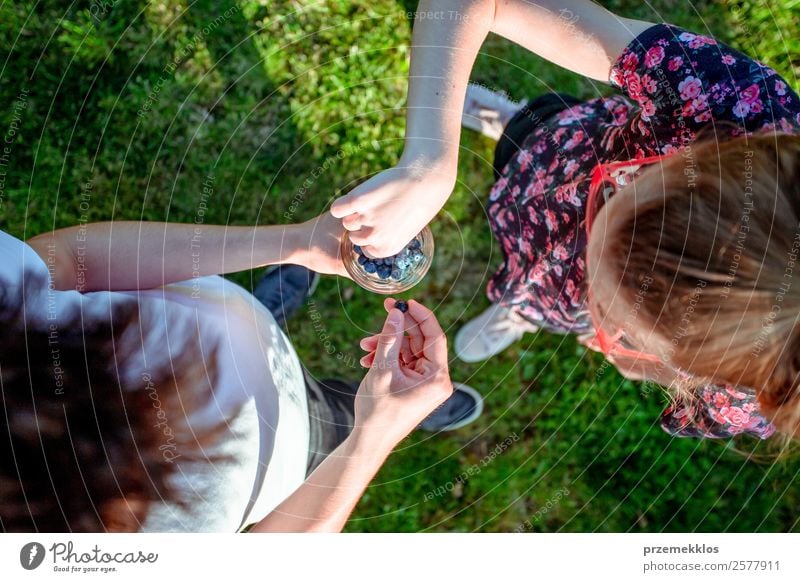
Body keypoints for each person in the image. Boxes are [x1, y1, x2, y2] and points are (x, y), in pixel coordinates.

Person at [330, 0, 800, 439]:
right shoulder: (736, 107)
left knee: (545, 295)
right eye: (618, 192)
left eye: (611, 315)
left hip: (562, 295)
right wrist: (428, 162)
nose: (592, 234)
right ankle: (503, 118)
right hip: (557, 160)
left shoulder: (758, 394)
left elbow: (667, 380)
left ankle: (522, 309)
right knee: (523, 133)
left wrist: (637, 360)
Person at [0, 212, 474, 532]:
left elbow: (68, 261)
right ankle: (350, 414)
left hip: (232, 321)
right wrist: (374, 435)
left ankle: (271, 315)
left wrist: (292, 242)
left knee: (255, 334)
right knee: (341, 418)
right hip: (292, 454)